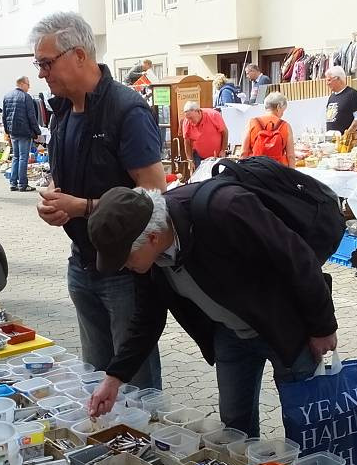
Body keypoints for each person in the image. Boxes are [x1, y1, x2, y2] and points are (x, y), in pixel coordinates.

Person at [85, 184, 336, 437]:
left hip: (283, 329)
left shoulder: (224, 208)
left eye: (125, 258)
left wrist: (323, 326)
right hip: (230, 333)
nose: (123, 267)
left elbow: (296, 257)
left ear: (152, 238)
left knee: (306, 423)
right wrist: (114, 378)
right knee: (235, 428)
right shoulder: (149, 257)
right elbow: (147, 319)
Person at [29, 10, 164, 390]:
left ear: (79, 55)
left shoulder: (126, 109)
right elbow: (65, 176)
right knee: (96, 381)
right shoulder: (61, 112)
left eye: (46, 63)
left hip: (126, 269)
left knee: (135, 386)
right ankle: (111, 448)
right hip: (82, 264)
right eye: (38, 65)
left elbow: (154, 195)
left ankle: (148, 449)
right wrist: (55, 199)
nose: (42, 73)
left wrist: (82, 206)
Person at [1, 76, 40, 192]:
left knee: (16, 157)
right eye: (28, 84)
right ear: (22, 84)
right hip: (24, 132)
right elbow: (31, 116)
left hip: (13, 132)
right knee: (23, 157)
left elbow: (4, 116)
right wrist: (37, 131)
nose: (29, 87)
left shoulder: (7, 96)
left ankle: (13, 183)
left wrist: (7, 130)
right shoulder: (26, 97)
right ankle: (22, 184)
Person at [241, 91, 295, 166]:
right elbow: (291, 156)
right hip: (278, 170)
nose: (282, 114)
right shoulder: (286, 126)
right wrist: (291, 175)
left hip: (255, 169)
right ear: (278, 107)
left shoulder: (252, 123)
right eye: (283, 110)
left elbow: (244, 153)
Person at [180, 101, 228, 168]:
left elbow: (225, 132)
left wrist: (223, 150)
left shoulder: (213, 115)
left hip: (216, 155)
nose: (190, 121)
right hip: (198, 156)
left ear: (198, 112)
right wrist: (190, 160)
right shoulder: (187, 122)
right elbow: (187, 143)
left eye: (191, 118)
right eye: (188, 118)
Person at [324, 66, 357, 135]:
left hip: (347, 141)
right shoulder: (331, 97)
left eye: (329, 80)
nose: (327, 83)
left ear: (338, 79)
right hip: (331, 140)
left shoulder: (352, 94)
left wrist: (347, 134)